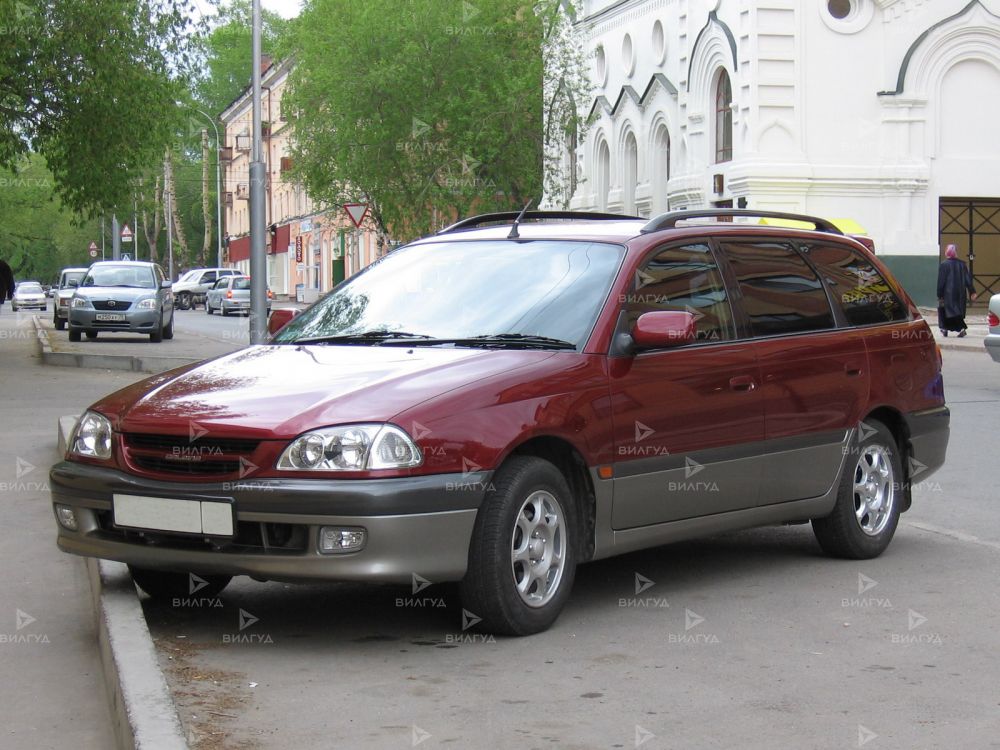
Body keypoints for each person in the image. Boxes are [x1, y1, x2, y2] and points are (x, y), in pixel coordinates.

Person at [937, 244, 977, 337]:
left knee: (946, 311)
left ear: (947, 252)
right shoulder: (962, 264)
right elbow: (968, 280)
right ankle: (955, 329)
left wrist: (939, 294)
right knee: (956, 312)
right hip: (960, 293)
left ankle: (945, 328)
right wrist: (972, 291)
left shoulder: (944, 265)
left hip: (947, 293)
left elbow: (941, 281)